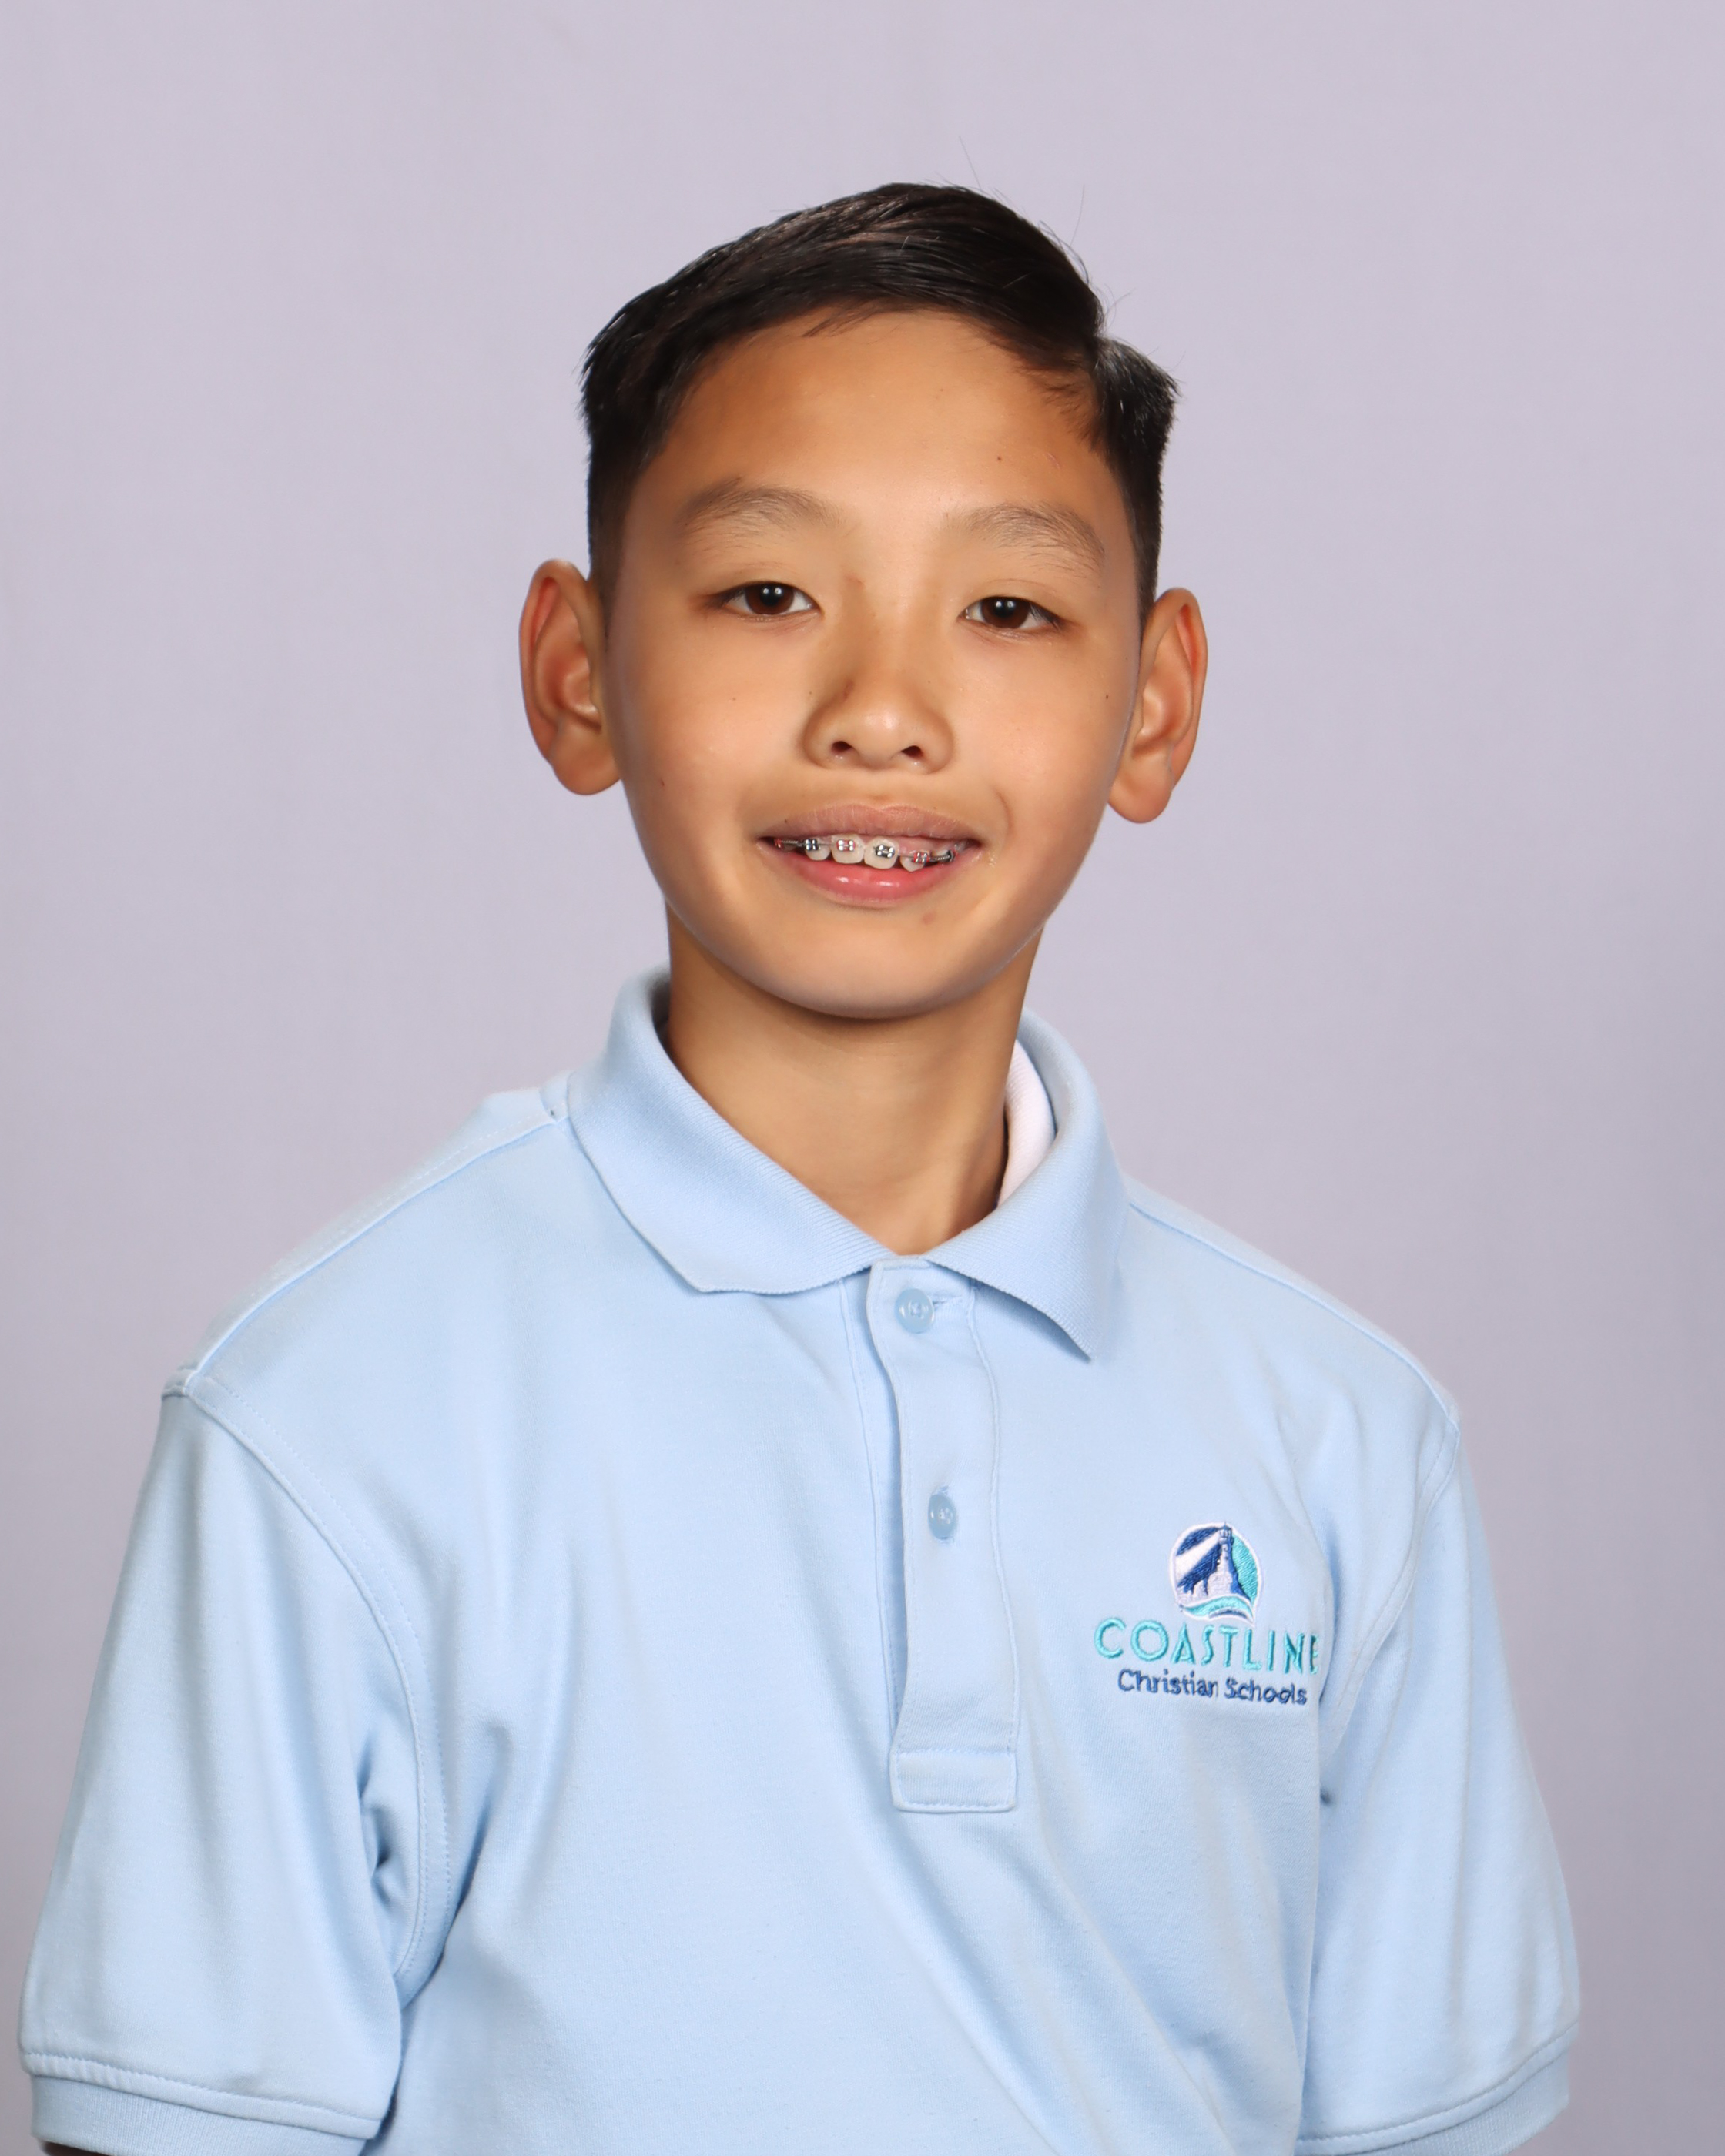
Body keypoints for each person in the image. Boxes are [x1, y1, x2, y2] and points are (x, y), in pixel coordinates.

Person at [20, 184, 1579, 2156]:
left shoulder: (1342, 1442)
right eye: (767, 594)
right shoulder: (326, 1416)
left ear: (1154, 699)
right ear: (577, 672)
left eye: (1005, 609)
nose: (882, 714)